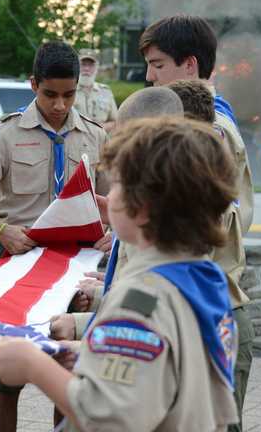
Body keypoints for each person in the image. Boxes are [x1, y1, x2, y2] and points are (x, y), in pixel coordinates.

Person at [0, 116, 240, 431]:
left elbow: (109, 417)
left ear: (143, 206)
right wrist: (90, 354)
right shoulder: (204, 279)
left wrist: (32, 365)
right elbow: (170, 372)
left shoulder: (140, 299)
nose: (109, 197)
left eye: (118, 185)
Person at [0, 41, 110, 432]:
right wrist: (1, 229)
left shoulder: (94, 136)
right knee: (7, 378)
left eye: (69, 95)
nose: (59, 105)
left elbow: (111, 201)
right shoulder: (5, 134)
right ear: (32, 84)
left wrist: (111, 233)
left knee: (67, 375)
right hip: (17, 265)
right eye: (49, 94)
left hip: (75, 268)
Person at [139, 14, 254, 431]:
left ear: (190, 65)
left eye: (158, 64)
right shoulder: (205, 122)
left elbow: (185, 241)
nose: (150, 77)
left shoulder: (207, 133)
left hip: (204, 313)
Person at [50, 86, 185, 342]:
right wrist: (101, 293)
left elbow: (145, 319)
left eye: (119, 187)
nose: (109, 196)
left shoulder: (165, 241)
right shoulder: (160, 221)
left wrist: (77, 328)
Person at [73, 48, 118, 131]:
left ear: (97, 67)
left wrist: (99, 128)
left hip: (101, 140)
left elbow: (115, 121)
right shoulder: (69, 91)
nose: (86, 69)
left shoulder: (105, 91)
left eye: (91, 65)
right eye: (83, 64)